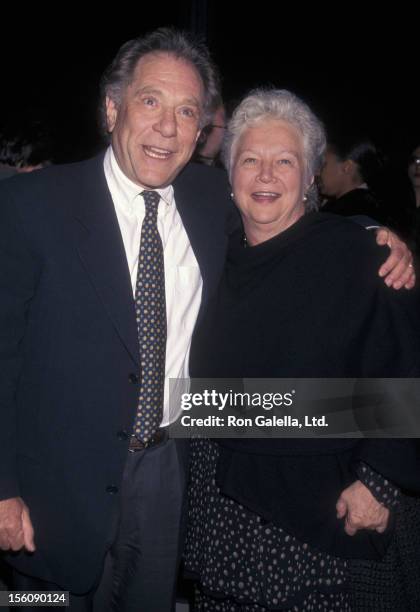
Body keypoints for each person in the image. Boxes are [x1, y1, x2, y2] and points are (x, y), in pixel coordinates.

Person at [0, 28, 414, 612]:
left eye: (186, 111)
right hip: (53, 489)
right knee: (32, 605)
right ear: (112, 108)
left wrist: (372, 235)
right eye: (150, 102)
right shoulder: (31, 205)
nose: (167, 127)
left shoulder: (208, 202)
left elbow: (298, 227)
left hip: (176, 477)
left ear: (201, 133)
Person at [184, 89, 420, 611]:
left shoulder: (359, 258)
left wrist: (379, 484)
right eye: (250, 160)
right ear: (230, 173)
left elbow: (406, 367)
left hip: (318, 534)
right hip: (221, 528)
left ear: (310, 175)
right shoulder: (206, 260)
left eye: (284, 161)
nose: (266, 175)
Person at [319, 135, 389, 224]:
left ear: (347, 167)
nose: (317, 172)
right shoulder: (364, 205)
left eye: (323, 165)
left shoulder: (355, 212)